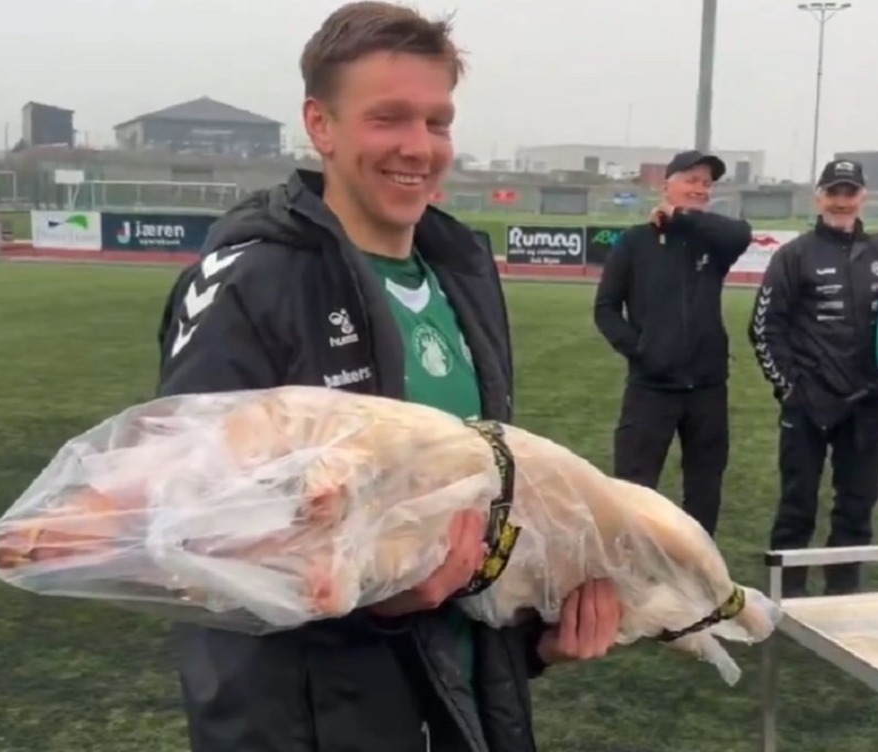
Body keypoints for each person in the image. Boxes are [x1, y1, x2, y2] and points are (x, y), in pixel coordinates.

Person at [155, 4, 621, 751]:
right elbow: (189, 538)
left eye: (437, 122)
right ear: (321, 124)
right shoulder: (248, 282)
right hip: (309, 725)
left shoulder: (461, 275)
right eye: (388, 119)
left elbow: (472, 513)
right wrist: (374, 595)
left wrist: (534, 637)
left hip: (461, 710)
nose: (418, 147)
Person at [748, 159, 878, 597]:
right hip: (809, 404)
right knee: (797, 506)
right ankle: (786, 598)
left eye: (850, 192)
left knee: (856, 508)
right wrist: (789, 388)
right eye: (833, 192)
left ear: (863, 197)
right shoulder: (794, 255)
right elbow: (764, 327)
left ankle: (843, 597)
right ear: (819, 198)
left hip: (869, 403)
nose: (841, 201)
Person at [592, 150, 755, 537]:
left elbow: (741, 234)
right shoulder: (634, 242)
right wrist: (642, 351)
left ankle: (698, 562)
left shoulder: (714, 243)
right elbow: (606, 309)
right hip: (651, 387)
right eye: (691, 180)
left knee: (704, 486)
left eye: (706, 183)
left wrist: (680, 217)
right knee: (634, 485)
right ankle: (632, 563)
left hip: (708, 386)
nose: (700, 189)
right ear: (667, 184)